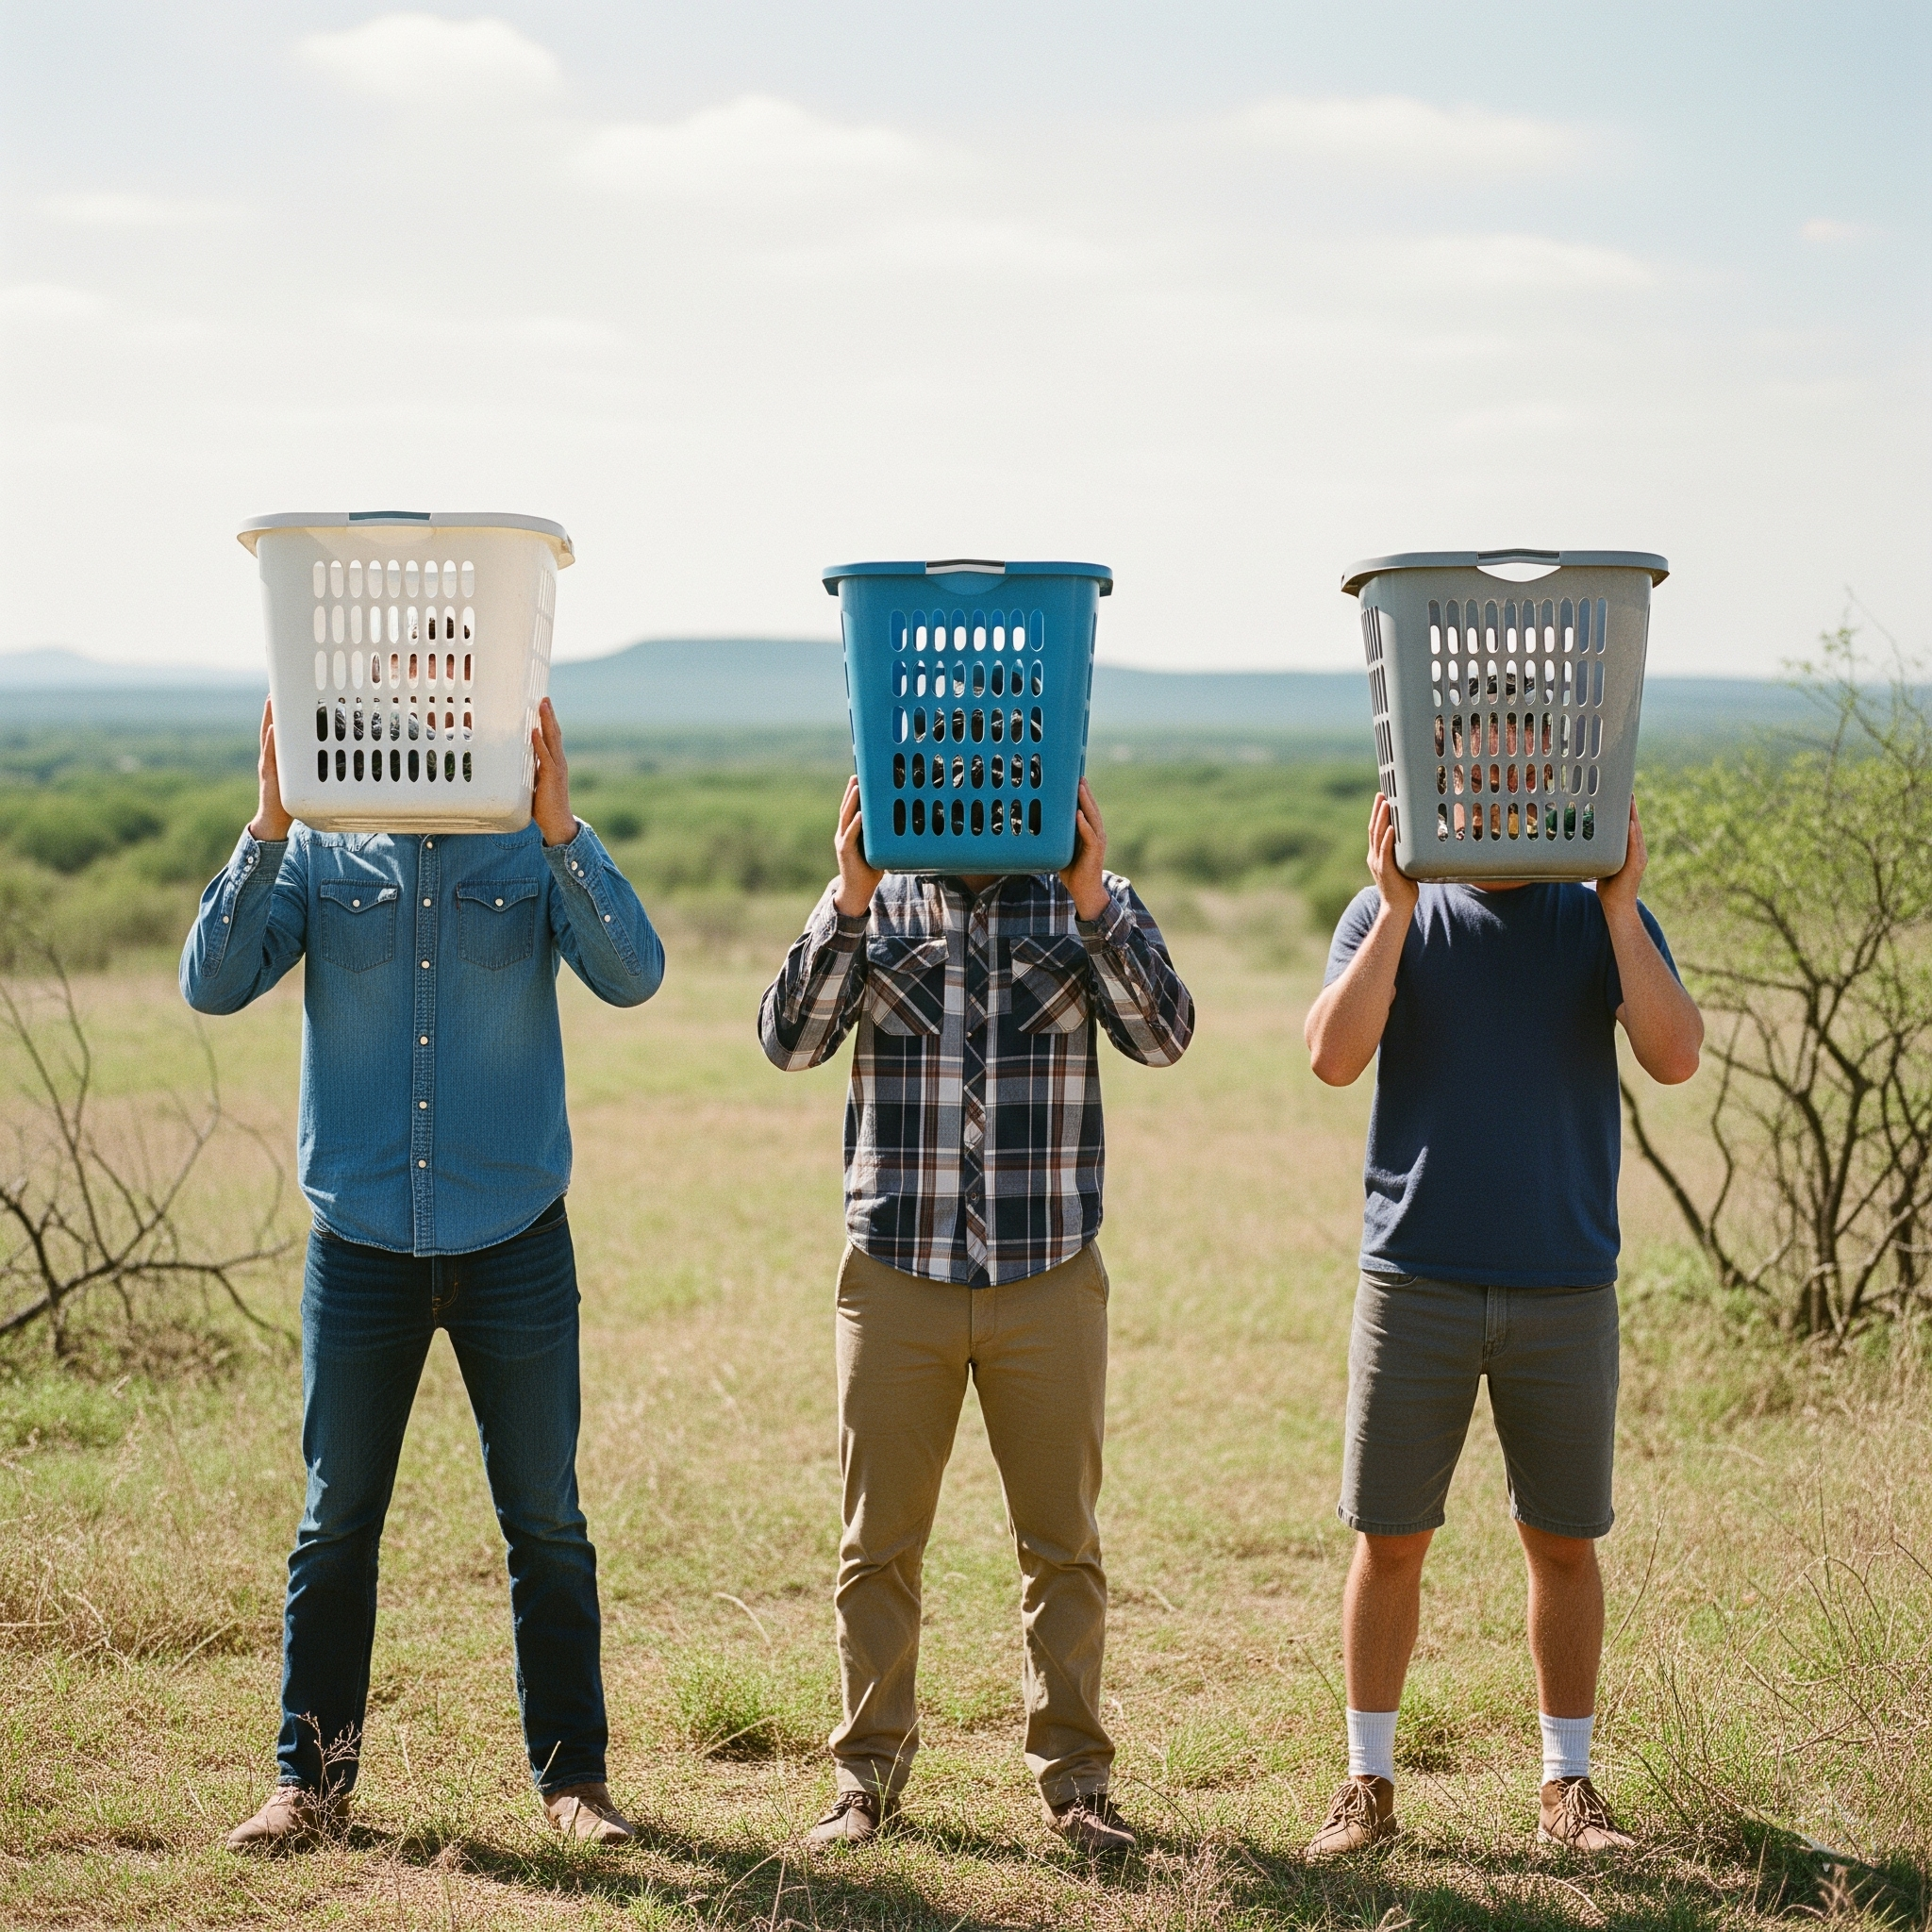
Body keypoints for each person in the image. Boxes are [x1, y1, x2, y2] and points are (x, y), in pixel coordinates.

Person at [184, 696, 663, 1854]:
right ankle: (310, 1785)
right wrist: (267, 821)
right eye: (410, 683)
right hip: (358, 1243)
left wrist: (562, 833)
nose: (434, 704)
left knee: (545, 1517)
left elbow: (633, 973)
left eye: (459, 679)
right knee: (334, 1521)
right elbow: (212, 982)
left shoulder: (526, 837)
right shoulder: (322, 839)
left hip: (514, 1238)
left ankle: (574, 1784)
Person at [759, 776, 1193, 1856]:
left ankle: (1077, 1784)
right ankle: (863, 1778)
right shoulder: (876, 898)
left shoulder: (1082, 897)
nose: (973, 781)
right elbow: (788, 1041)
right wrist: (847, 897)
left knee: (1062, 1544)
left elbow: (1164, 1035)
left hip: (1047, 1271)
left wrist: (1094, 897)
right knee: (877, 1543)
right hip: (894, 1272)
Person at [1301, 792, 1702, 1857]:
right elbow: (1331, 1057)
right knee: (1389, 1540)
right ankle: (1365, 1785)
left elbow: (1673, 1054)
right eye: (1473, 766)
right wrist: (1393, 906)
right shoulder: (1389, 907)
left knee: (1562, 1543)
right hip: (1412, 1279)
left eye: (1524, 765)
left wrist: (1621, 909)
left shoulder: (1592, 916)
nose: (1498, 794)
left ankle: (1565, 1786)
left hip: (1564, 1281)